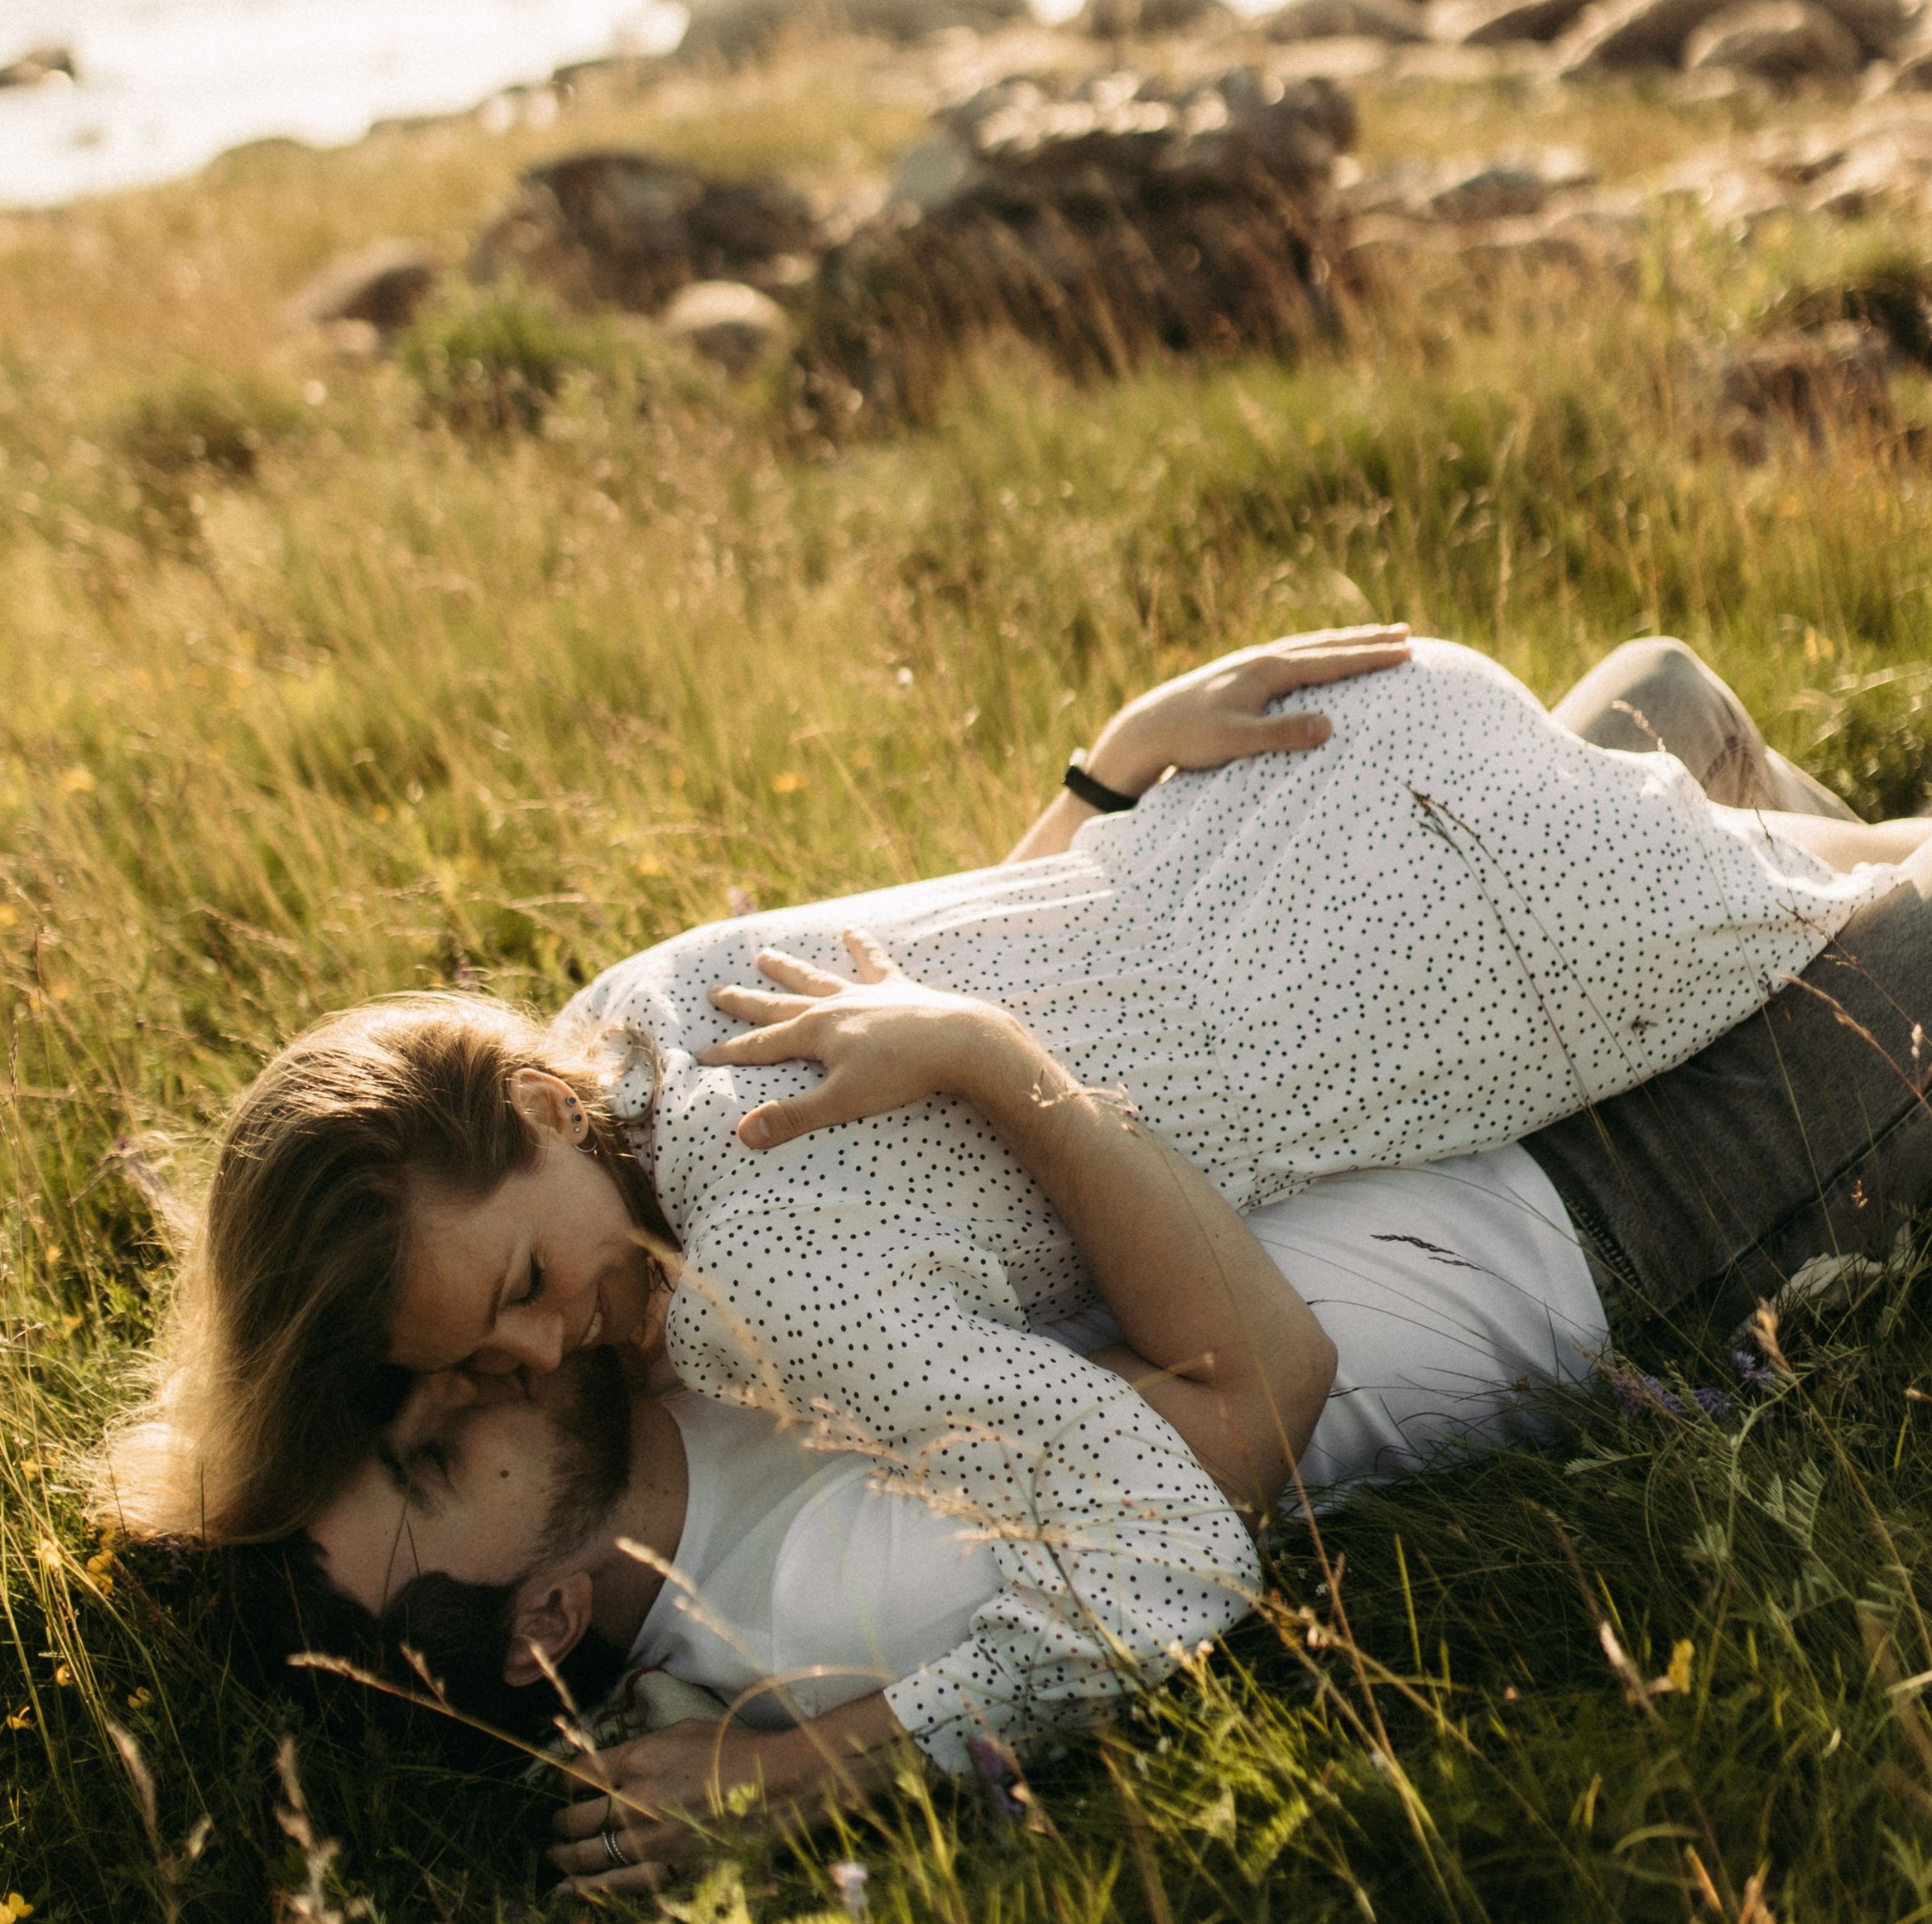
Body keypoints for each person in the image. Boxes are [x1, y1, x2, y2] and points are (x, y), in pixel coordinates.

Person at [99, 629, 1929, 1829]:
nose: (518, 1359)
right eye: (446, 1419)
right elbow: (1210, 1447)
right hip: (1560, 1206)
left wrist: (1098, 790)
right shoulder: (791, 1558)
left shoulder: (682, 1261)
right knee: (1690, 763)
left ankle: (1795, 878)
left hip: (1389, 987)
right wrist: (809, 1771)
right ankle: (1816, 891)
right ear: (540, 1618)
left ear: (522, 1102)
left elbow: (924, 1040)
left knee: (1661, 722)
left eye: (442, 1375)